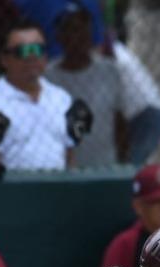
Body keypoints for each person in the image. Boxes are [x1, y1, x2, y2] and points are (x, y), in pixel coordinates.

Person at [0, 19, 75, 171]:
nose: (31, 56)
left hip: (58, 190)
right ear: (5, 60)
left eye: (37, 49)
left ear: (46, 56)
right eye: (22, 51)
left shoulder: (61, 98)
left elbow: (69, 153)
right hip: (15, 192)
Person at [45, 2, 123, 168]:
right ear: (59, 35)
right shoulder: (47, 77)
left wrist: (122, 163)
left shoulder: (109, 71)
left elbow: (120, 123)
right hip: (61, 171)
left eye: (82, 28)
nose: (76, 35)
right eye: (70, 28)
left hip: (104, 167)